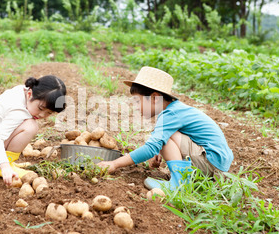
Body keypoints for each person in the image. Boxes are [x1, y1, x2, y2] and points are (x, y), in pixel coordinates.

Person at [97, 66, 233, 190]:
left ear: (155, 98)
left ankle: (179, 184)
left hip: (212, 164)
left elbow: (151, 147)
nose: (136, 107)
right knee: (163, 137)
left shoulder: (171, 113)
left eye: (138, 101)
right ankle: (182, 179)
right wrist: (159, 150)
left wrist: (115, 164)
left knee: (165, 139)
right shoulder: (175, 110)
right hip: (217, 164)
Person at [0, 75, 66, 187]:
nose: (42, 115)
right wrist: (4, 167)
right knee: (30, 126)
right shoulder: (18, 111)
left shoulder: (22, 90)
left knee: (28, 122)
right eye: (41, 108)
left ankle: (5, 162)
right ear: (30, 94)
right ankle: (4, 166)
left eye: (49, 113)